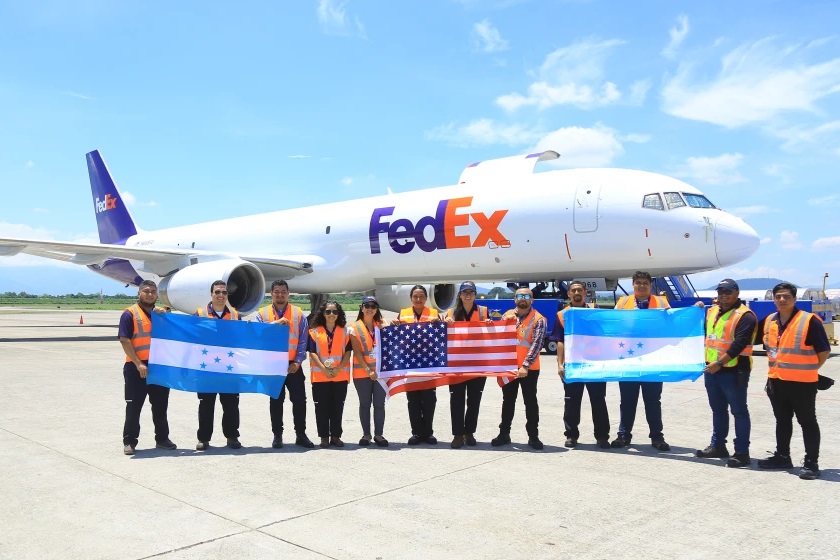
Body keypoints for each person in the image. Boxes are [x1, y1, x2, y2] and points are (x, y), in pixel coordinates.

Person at [758, 282, 831, 480]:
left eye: (786, 297)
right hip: (777, 381)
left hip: (802, 384)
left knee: (807, 422)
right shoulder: (770, 320)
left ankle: (811, 463)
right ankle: (782, 456)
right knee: (782, 421)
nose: (782, 300)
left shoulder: (809, 321)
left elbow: (824, 350)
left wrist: (811, 370)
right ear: (773, 299)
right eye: (778, 296)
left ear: (794, 299)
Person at [694, 279, 757, 468]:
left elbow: (740, 344)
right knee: (718, 410)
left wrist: (719, 363)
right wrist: (696, 310)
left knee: (739, 411)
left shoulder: (746, 316)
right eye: (721, 292)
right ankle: (718, 446)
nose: (723, 295)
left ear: (736, 293)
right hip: (712, 370)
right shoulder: (712, 311)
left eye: (728, 292)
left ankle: (742, 452)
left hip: (734, 371)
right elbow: (705, 334)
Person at [611, 271, 671, 451]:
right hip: (629, 360)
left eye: (645, 283)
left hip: (653, 361)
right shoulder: (622, 303)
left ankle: (657, 437)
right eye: (638, 283)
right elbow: (613, 324)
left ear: (650, 285)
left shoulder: (662, 302)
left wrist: (696, 308)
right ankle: (623, 435)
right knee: (627, 401)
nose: (642, 286)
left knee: (653, 401)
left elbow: (674, 322)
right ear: (633, 285)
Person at [118, 280, 177, 455]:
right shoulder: (129, 314)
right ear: (139, 293)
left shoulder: (161, 314)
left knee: (160, 406)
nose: (149, 294)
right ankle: (129, 441)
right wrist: (138, 363)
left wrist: (165, 313)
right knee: (134, 406)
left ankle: (162, 439)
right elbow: (124, 340)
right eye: (146, 291)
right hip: (136, 368)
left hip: (158, 368)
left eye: (153, 292)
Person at [550, 280, 610, 449]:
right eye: (573, 290)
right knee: (571, 402)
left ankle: (602, 436)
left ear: (585, 293)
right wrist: (560, 364)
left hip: (593, 364)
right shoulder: (563, 315)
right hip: (573, 365)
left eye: (579, 290)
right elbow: (559, 341)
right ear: (568, 294)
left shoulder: (595, 312)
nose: (576, 293)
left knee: (598, 401)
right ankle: (571, 435)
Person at [255, 280, 314, 449]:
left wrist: (298, 361)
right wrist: (276, 323)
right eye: (276, 292)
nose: (280, 294)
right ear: (271, 294)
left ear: (288, 293)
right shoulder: (262, 314)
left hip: (293, 365)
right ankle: (277, 435)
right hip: (273, 366)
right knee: (276, 400)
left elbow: (303, 339)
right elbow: (258, 334)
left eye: (283, 292)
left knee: (299, 401)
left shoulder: (298, 313)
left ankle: (301, 434)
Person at [491, 287, 546, 450]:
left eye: (527, 296)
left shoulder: (539, 319)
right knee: (508, 401)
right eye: (520, 296)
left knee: (530, 402)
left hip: (529, 369)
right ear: (515, 299)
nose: (523, 298)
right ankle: (504, 434)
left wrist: (525, 366)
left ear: (532, 300)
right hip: (509, 367)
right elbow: (499, 337)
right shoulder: (507, 315)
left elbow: (537, 344)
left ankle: (533, 436)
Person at [194, 280, 243, 451]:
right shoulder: (199, 314)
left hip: (229, 369)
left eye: (224, 292)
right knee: (206, 405)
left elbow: (246, 337)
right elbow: (189, 335)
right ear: (211, 294)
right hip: (207, 369)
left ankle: (232, 436)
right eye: (217, 292)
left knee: (231, 405)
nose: (221, 295)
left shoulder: (236, 315)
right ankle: (204, 438)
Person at [443, 281, 492, 449]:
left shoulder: (484, 312)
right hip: (456, 365)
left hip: (478, 364)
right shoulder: (450, 313)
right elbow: (441, 334)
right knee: (456, 400)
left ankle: (469, 432)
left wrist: (489, 325)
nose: (468, 295)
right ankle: (457, 434)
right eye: (465, 292)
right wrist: (445, 323)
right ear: (460, 295)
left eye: (471, 291)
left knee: (474, 400)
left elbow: (494, 334)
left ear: (475, 294)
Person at [392, 285, 440, 445]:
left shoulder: (434, 314)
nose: (418, 299)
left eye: (421, 296)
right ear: (411, 298)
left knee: (429, 400)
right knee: (413, 401)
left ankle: (428, 433)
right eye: (415, 296)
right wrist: (393, 325)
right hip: (410, 364)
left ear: (426, 298)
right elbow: (396, 337)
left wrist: (440, 323)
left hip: (428, 364)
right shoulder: (403, 314)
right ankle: (416, 434)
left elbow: (441, 337)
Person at [307, 301, 352, 448]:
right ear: (323, 314)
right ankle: (324, 437)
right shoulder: (314, 331)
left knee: (337, 407)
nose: (331, 315)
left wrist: (339, 368)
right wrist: (323, 368)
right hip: (321, 376)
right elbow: (312, 352)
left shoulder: (345, 331)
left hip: (340, 375)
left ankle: (336, 436)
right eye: (328, 312)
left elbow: (347, 352)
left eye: (334, 312)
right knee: (321, 408)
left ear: (339, 314)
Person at [349, 296, 389, 447]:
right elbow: (357, 352)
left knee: (379, 404)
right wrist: (368, 369)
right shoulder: (354, 327)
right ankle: (366, 434)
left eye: (373, 306)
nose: (370, 308)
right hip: (362, 373)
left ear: (377, 309)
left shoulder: (383, 325)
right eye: (367, 305)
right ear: (362, 307)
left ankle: (379, 434)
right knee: (365, 404)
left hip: (380, 373)